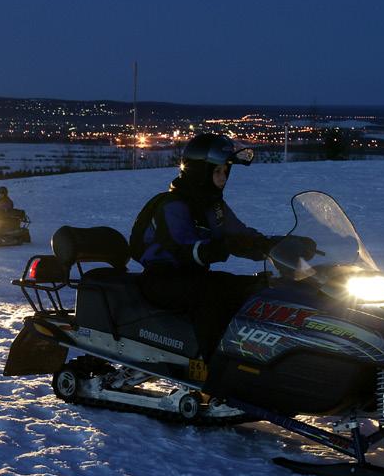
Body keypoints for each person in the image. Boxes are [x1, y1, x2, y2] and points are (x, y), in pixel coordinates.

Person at [130, 133, 314, 358]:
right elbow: (185, 249)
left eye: (226, 171)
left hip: (193, 277)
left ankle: (257, 357)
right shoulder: (173, 206)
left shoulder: (213, 206)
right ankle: (211, 365)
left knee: (256, 286)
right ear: (200, 172)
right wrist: (221, 247)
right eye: (217, 171)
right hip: (162, 280)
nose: (223, 178)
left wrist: (278, 246)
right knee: (213, 296)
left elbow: (240, 233)